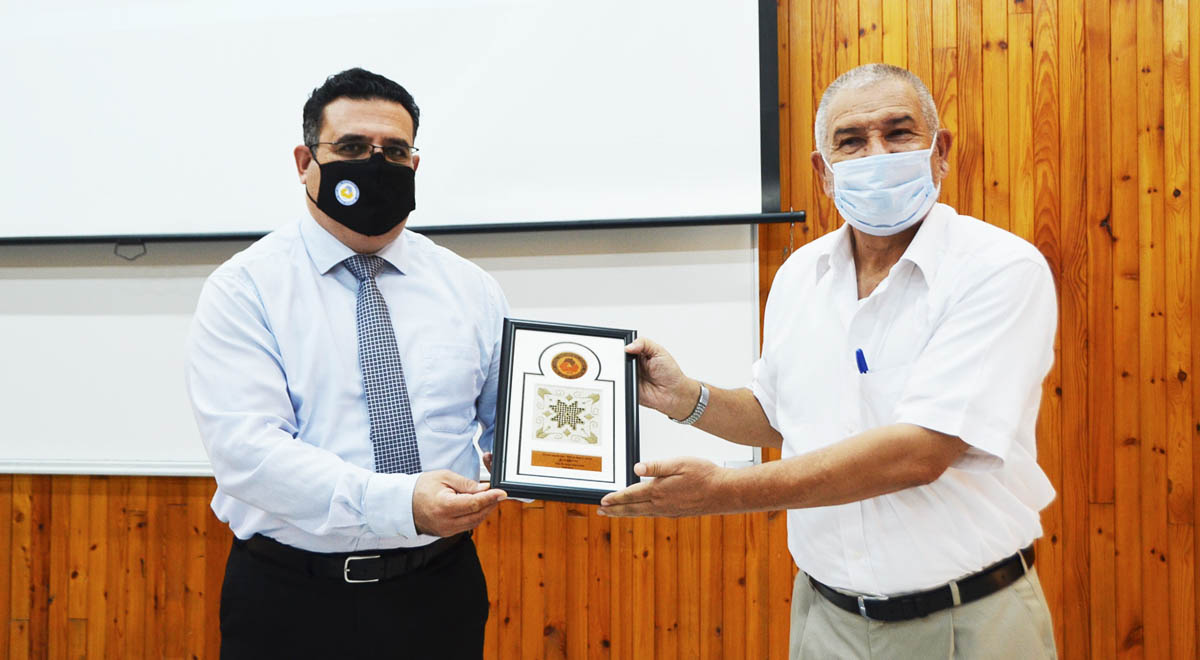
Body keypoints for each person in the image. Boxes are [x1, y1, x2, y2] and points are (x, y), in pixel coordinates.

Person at [599, 63, 1059, 659]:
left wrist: (724, 491)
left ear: (940, 151)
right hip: (825, 619)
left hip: (966, 620)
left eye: (899, 133)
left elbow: (920, 452)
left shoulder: (998, 270)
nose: (877, 154)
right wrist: (687, 399)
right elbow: (779, 415)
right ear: (824, 172)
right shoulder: (801, 274)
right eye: (852, 141)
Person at [185, 68, 508, 659]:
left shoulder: (470, 289)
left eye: (394, 152)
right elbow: (248, 454)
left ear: (415, 165)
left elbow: (511, 430)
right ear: (305, 160)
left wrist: (560, 462)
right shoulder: (245, 288)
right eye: (353, 148)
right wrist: (399, 503)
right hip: (290, 598)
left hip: (439, 591)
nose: (375, 165)